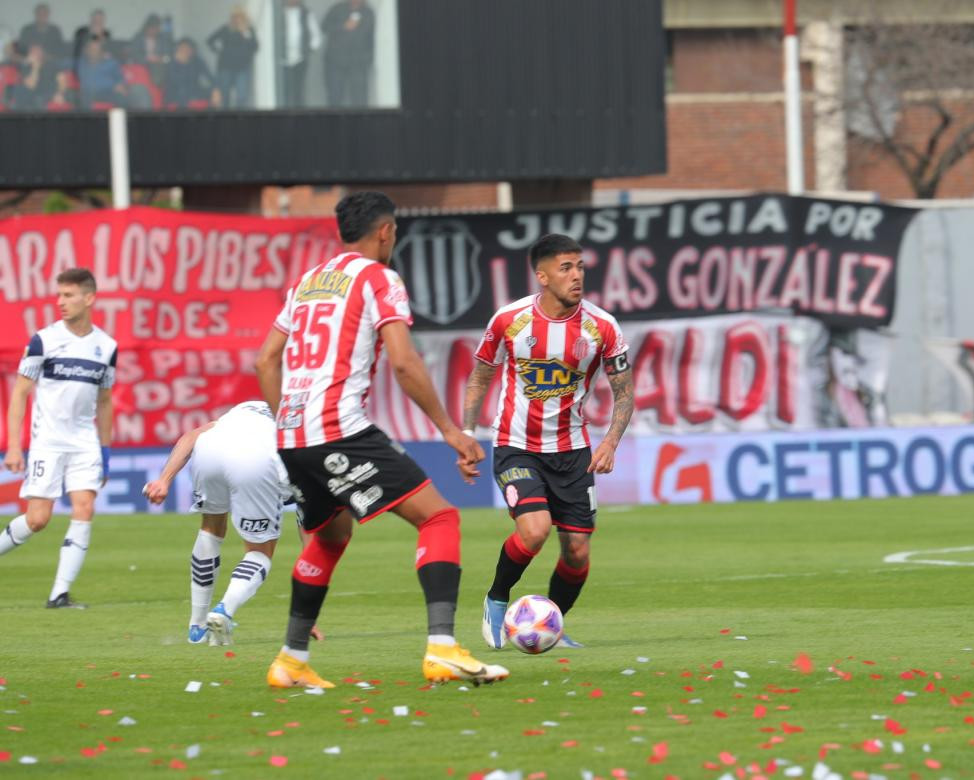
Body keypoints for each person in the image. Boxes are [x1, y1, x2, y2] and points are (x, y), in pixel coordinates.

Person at [255, 191, 507, 688]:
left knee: (331, 536)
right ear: (386, 231)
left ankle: (290, 659)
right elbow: (404, 362)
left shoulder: (307, 283)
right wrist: (449, 430)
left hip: (292, 433)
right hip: (338, 428)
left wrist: (287, 421)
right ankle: (442, 648)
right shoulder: (379, 278)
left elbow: (266, 360)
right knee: (438, 516)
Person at [463, 234, 634, 650]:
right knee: (535, 530)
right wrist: (467, 434)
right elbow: (482, 376)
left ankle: (548, 626)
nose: (577, 276)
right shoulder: (509, 319)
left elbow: (625, 391)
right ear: (542, 276)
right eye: (565, 268)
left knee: (576, 551)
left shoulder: (602, 326)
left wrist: (610, 441)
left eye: (579, 267)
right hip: (516, 446)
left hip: (573, 453)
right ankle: (497, 597)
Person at [0, 268, 117, 609]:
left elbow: (105, 400)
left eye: (68, 295)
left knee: (85, 507)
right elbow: (20, 393)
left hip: (84, 442)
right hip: (47, 442)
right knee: (38, 519)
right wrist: (14, 446)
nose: (60, 302)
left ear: (89, 298)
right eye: (59, 295)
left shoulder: (106, 347)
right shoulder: (43, 340)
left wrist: (105, 451)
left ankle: (59, 594)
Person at [143, 401, 294, 646]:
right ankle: (224, 611)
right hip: (254, 457)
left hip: (210, 449)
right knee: (260, 551)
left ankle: (197, 626)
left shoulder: (237, 413)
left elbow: (191, 436)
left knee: (211, 527)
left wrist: (163, 480)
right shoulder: (291, 419)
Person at [322, 0, 374, 108]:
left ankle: (361, 124)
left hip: (358, 63)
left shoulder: (368, 13)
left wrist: (368, 59)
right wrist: (343, 26)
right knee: (335, 98)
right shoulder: (337, 9)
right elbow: (324, 26)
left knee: (360, 99)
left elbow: (371, 39)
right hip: (335, 62)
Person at [206, 7, 258, 108]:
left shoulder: (248, 30)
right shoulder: (226, 29)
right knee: (225, 95)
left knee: (241, 96)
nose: (237, 19)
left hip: (242, 67)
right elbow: (210, 40)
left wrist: (245, 33)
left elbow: (254, 46)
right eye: (235, 17)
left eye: (239, 17)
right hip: (226, 66)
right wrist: (218, 51)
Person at [277, 0, 321, 108]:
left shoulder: (306, 13)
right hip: (282, 59)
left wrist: (309, 49)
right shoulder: (278, 12)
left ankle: (299, 115)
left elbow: (316, 35)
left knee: (298, 89)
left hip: (300, 58)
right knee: (284, 90)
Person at [164, 38, 220, 108]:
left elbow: (210, 77)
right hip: (176, 93)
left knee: (213, 93)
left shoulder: (197, 61)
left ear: (192, 50)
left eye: (187, 48)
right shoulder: (172, 62)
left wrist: (215, 89)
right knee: (183, 92)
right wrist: (181, 64)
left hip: (194, 90)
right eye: (182, 48)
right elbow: (177, 81)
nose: (185, 51)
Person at [77, 37, 127, 108]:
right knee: (81, 98)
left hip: (109, 93)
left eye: (97, 49)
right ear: (86, 51)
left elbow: (120, 79)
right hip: (89, 94)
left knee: (121, 98)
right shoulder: (80, 64)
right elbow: (88, 84)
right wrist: (112, 85)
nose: (94, 52)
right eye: (92, 49)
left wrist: (121, 85)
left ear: (102, 51)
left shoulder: (111, 63)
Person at [10, 42, 58, 110]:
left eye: (38, 51)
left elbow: (62, 80)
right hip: (29, 99)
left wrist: (59, 93)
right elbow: (31, 85)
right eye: (33, 51)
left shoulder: (51, 65)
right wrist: (35, 67)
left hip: (48, 95)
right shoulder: (25, 67)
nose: (36, 54)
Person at [129, 13, 173, 87]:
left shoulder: (163, 39)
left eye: (157, 28)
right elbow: (134, 55)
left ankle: (159, 86)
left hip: (159, 64)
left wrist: (162, 59)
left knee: (163, 68)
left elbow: (168, 55)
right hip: (143, 64)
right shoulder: (138, 38)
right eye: (152, 28)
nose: (154, 31)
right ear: (147, 27)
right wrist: (148, 59)